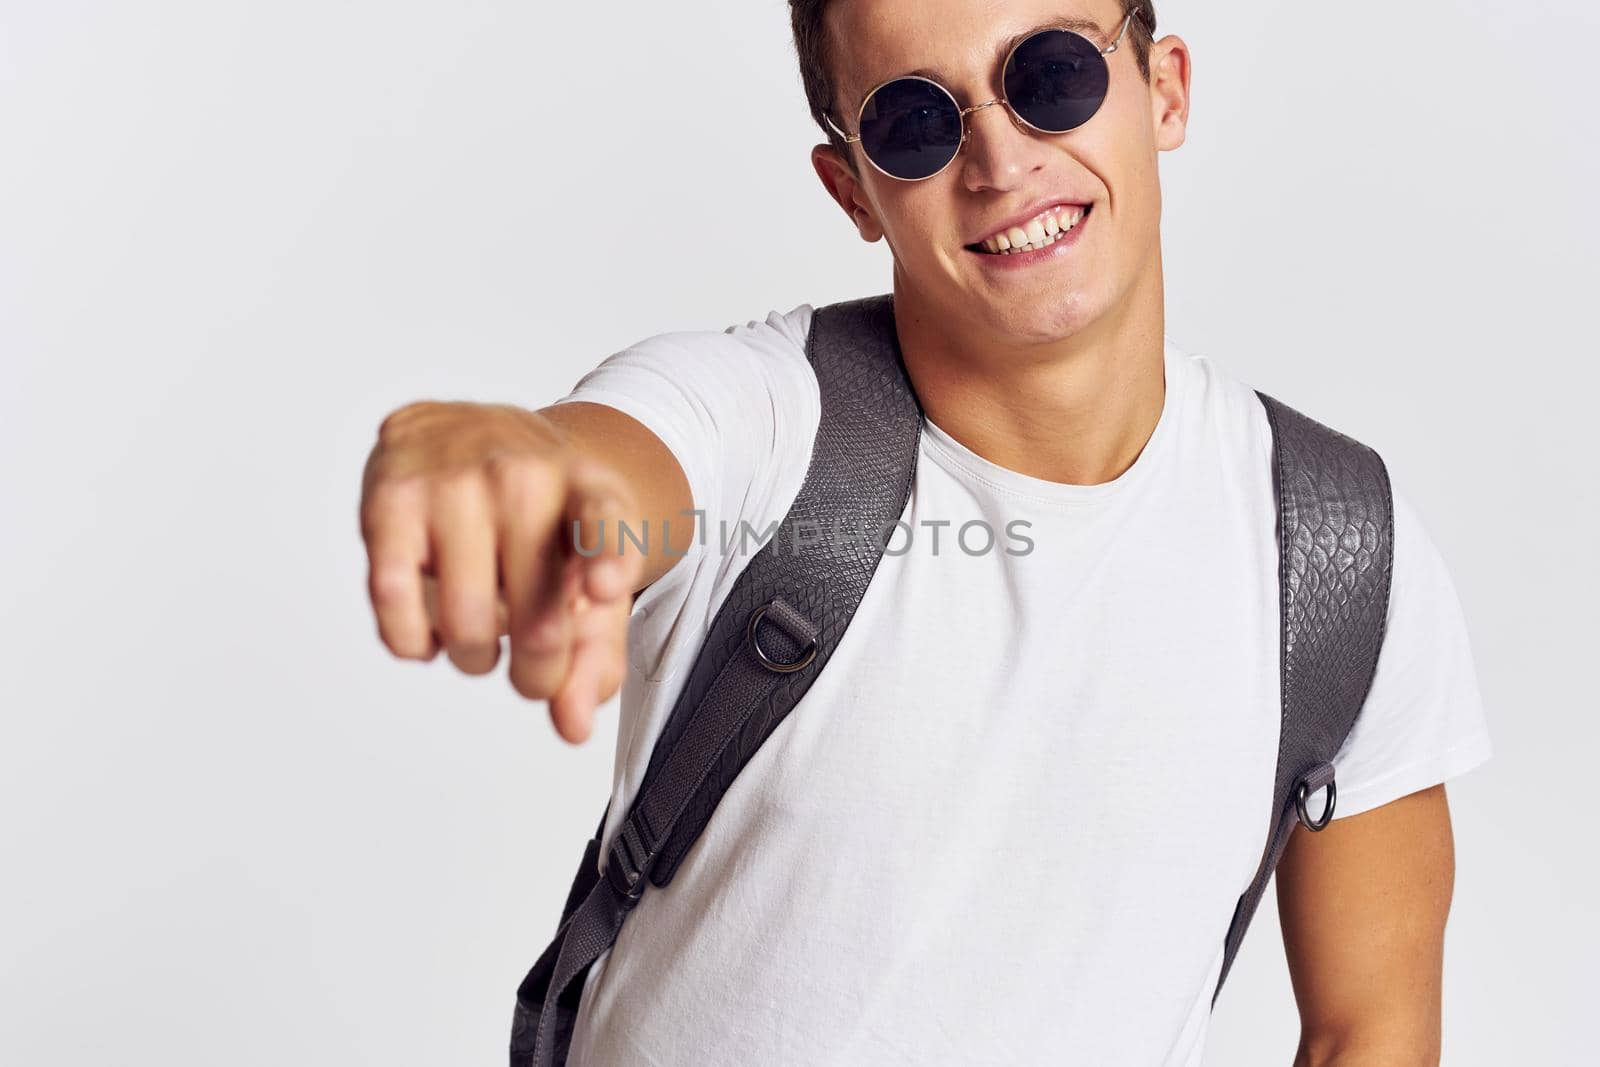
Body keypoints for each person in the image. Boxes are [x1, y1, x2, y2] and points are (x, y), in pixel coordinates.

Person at [358, 1, 1492, 1062]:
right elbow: (603, 461)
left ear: (1164, 88)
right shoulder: (762, 422)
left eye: (1051, 75)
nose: (1002, 163)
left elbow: (1371, 1026)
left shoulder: (1341, 552)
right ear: (851, 190)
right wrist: (503, 460)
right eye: (915, 122)